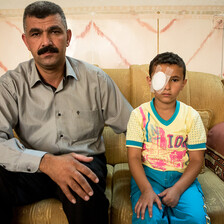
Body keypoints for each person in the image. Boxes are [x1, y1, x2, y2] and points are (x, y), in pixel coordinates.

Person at [0, 1, 132, 224]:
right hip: (32, 165)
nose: (46, 42)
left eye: (54, 31)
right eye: (36, 34)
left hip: (84, 161)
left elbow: (135, 126)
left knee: (84, 189)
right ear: (26, 41)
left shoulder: (96, 80)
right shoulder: (11, 85)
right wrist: (46, 162)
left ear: (68, 36)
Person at [126, 52, 210, 224]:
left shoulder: (191, 117)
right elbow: (133, 157)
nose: (166, 86)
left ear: (183, 83)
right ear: (150, 81)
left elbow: (196, 160)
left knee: (196, 218)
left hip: (182, 179)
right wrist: (146, 189)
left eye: (174, 79)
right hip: (148, 178)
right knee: (146, 218)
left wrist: (178, 189)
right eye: (160, 79)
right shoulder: (138, 115)